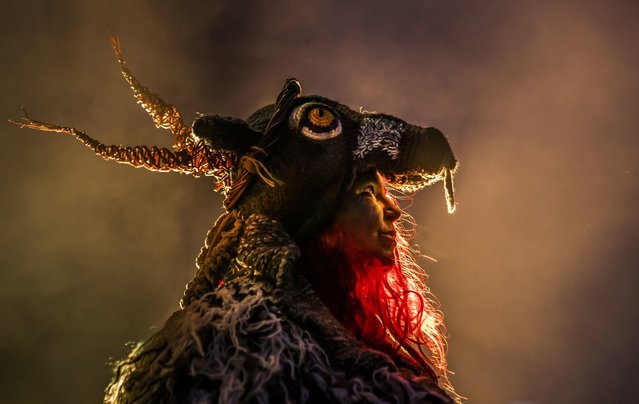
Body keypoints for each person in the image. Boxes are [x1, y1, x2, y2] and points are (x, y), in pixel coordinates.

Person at [11, 41, 461, 402]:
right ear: (319, 221)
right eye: (368, 194)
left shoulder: (350, 340)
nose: (395, 210)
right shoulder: (241, 340)